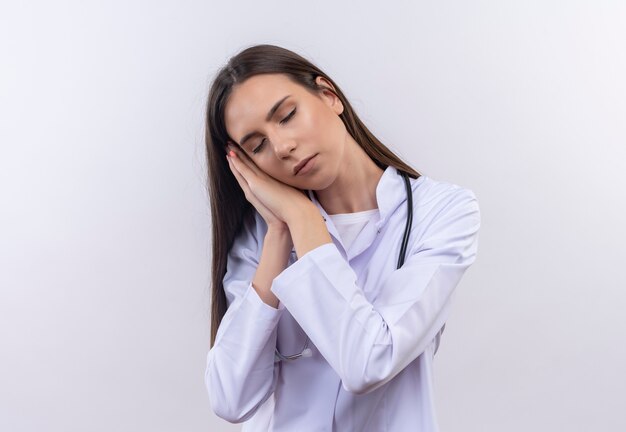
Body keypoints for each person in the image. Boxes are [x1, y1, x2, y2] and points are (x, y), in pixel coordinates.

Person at [203, 44, 481, 431]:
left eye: (287, 116)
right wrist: (281, 234)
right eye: (258, 146)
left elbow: (368, 361)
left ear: (329, 96)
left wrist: (303, 218)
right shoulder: (261, 238)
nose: (282, 147)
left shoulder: (442, 212)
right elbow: (230, 397)